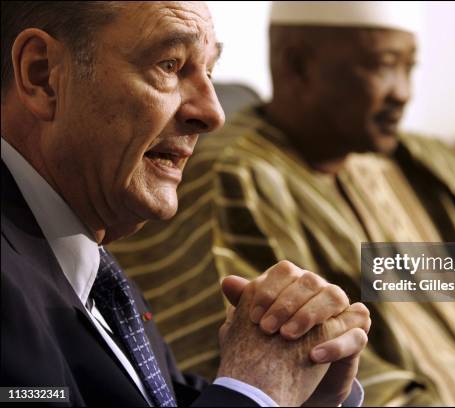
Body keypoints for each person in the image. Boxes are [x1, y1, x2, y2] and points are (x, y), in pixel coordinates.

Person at [110, 2, 455, 407]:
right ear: (297, 65)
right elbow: (297, 359)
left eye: (409, 67)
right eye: (381, 66)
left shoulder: (430, 164)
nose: (403, 94)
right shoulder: (232, 177)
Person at [0, 2, 371, 407]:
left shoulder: (93, 267)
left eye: (209, 71)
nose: (213, 114)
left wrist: (304, 391)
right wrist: (255, 391)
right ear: (43, 77)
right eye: (170, 65)